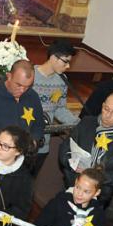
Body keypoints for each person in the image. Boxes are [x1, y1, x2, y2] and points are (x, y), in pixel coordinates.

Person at [59, 91, 113, 200]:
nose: (108, 115)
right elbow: (64, 149)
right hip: (72, 185)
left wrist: (100, 176)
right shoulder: (86, 122)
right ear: (102, 106)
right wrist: (72, 164)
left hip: (100, 194)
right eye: (106, 109)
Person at [30, 39, 79, 170]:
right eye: (66, 61)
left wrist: (77, 123)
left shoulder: (62, 80)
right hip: (24, 140)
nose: (68, 66)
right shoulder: (30, 75)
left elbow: (59, 108)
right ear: (53, 57)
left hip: (43, 145)